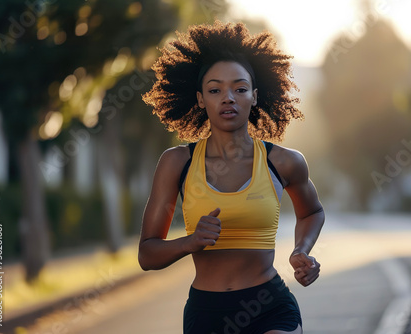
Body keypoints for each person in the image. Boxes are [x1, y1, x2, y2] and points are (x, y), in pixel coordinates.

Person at [139, 21, 325, 334]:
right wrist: (191, 242)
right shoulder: (177, 163)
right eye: (215, 90)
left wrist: (301, 250)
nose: (228, 98)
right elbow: (147, 254)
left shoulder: (284, 162)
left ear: (254, 96)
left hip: (270, 305)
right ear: (200, 99)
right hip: (206, 313)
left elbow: (312, 212)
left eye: (239, 89)